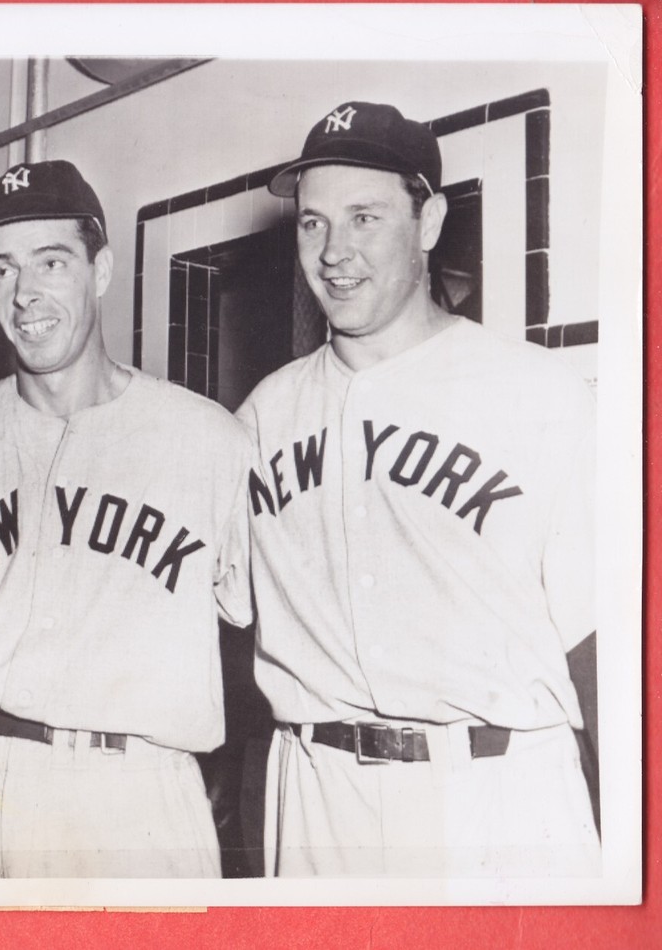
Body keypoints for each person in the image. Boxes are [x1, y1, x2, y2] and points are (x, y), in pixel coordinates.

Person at [0, 160, 255, 878]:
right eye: (4, 269)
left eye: (51, 262)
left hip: (136, 794)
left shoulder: (209, 439)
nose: (24, 293)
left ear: (101, 270)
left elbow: (269, 635)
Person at [236, 101, 601, 876]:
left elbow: (604, 650)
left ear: (428, 221)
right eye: (312, 223)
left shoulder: (539, 395)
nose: (334, 251)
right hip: (315, 796)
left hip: (495, 793)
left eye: (364, 217)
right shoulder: (262, 415)